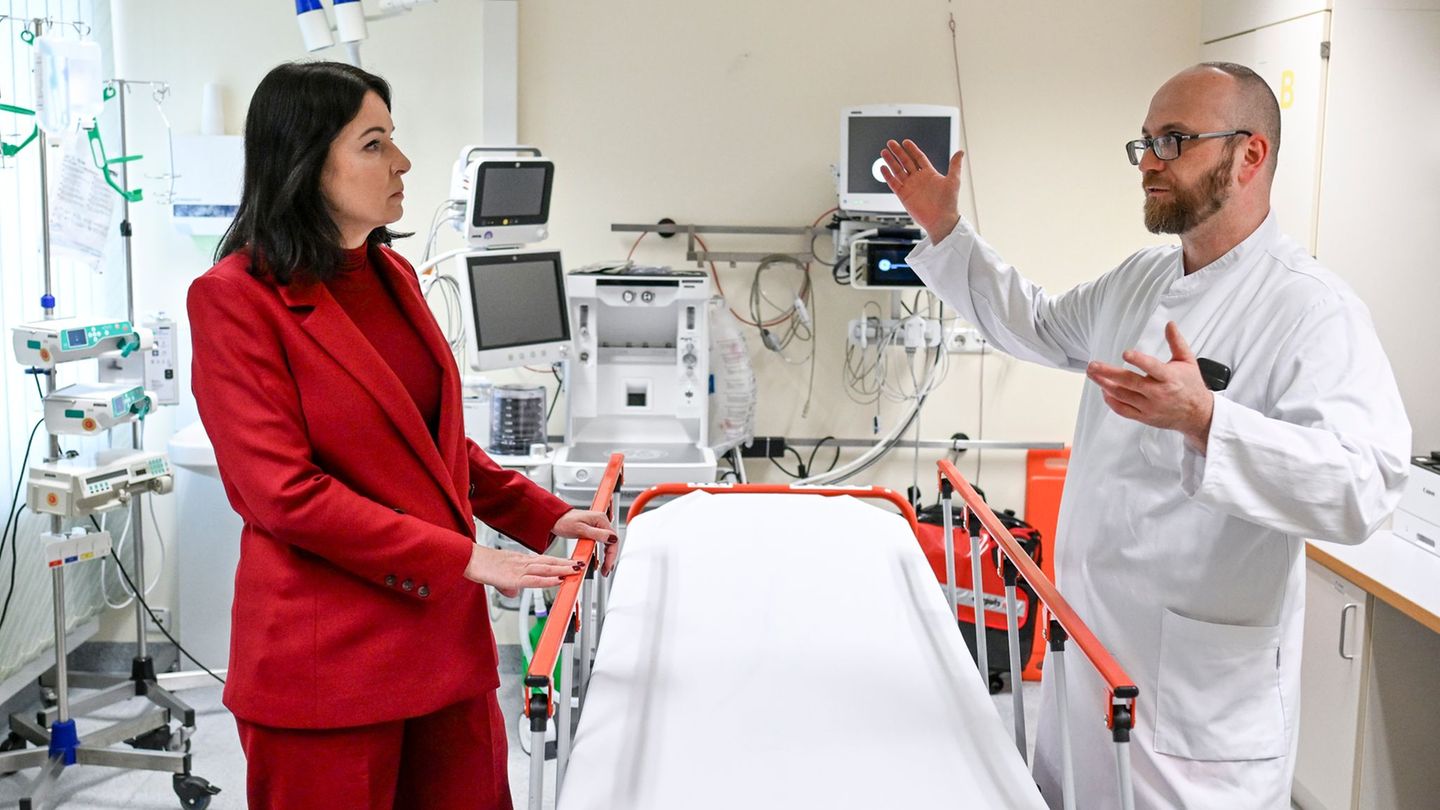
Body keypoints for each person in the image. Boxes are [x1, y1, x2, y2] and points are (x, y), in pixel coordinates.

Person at [881, 62, 1410, 808]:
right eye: (1145, 143)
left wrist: (1208, 422)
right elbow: (1035, 324)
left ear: (1250, 155)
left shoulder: (1312, 310)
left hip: (1199, 707)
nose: (1150, 163)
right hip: (1091, 668)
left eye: (1174, 140)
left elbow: (1367, 485)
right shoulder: (1138, 281)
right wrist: (944, 230)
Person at [187, 61, 614, 809]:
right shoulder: (235, 301)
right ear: (305, 162)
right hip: (329, 666)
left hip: (443, 651)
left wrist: (540, 515)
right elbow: (284, 496)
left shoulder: (393, 275)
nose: (403, 163)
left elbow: (431, 443)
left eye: (394, 139)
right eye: (374, 143)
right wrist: (468, 557)